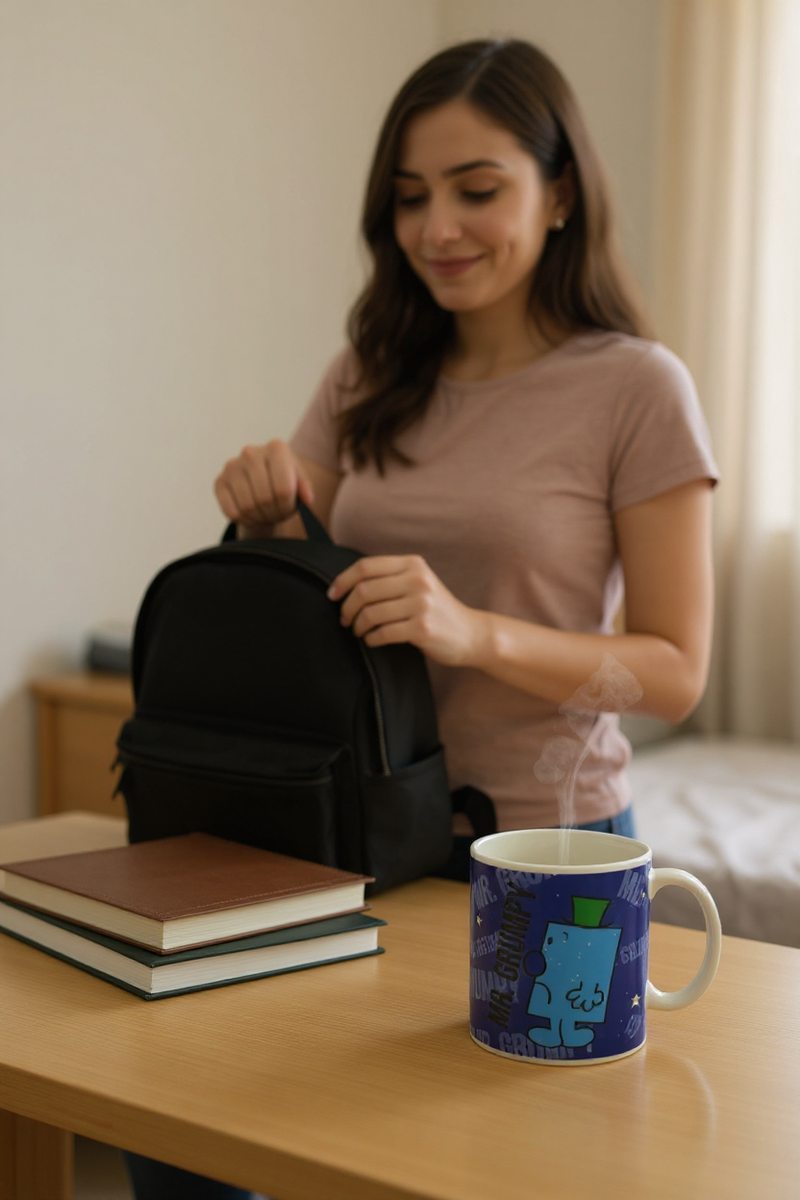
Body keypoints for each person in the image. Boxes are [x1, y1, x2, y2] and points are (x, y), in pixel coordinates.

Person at [125, 37, 717, 1199]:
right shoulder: (366, 371)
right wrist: (266, 517)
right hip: (347, 826)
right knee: (189, 1124)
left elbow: (674, 673)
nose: (435, 227)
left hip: (540, 850)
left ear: (558, 196)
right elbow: (298, 598)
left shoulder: (636, 388)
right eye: (407, 198)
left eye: (475, 189)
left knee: (504, 1166)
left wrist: (470, 630)